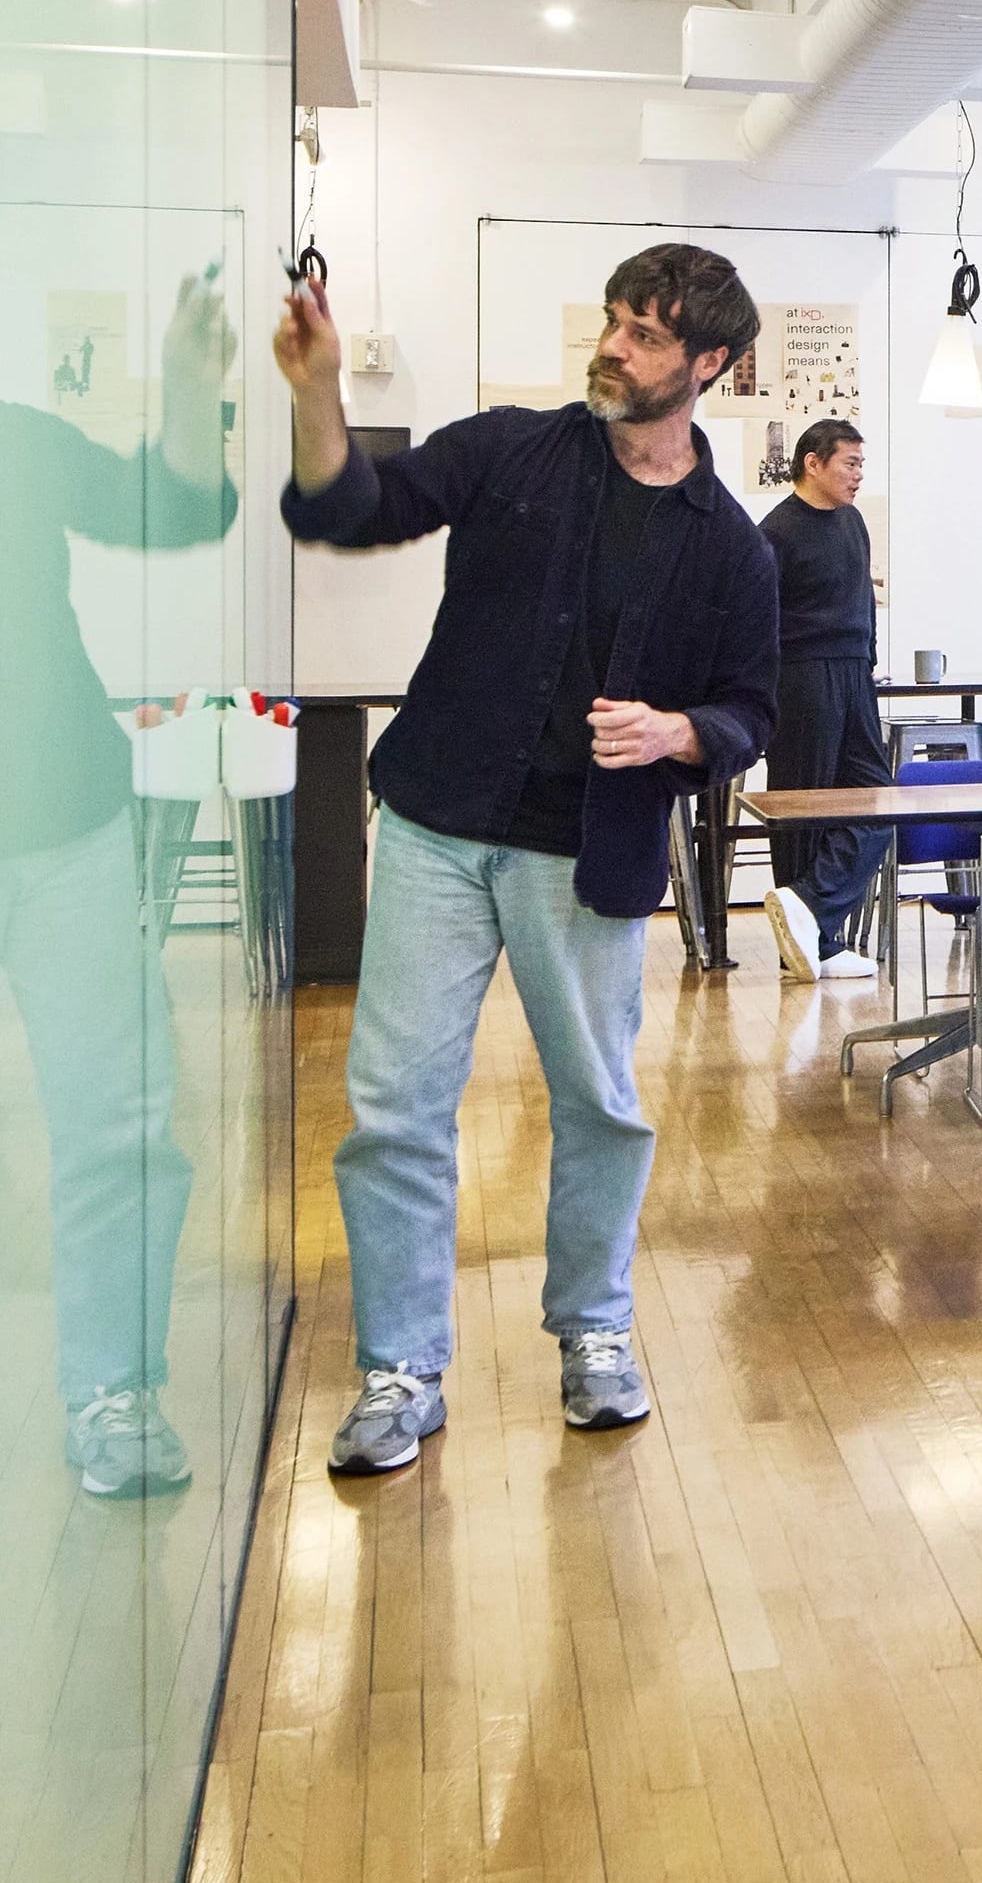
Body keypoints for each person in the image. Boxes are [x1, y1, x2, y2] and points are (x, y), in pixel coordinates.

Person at [278, 241, 780, 1474]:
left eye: (648, 335)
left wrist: (680, 732)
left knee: (600, 1105)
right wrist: (316, 393)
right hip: (437, 826)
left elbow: (751, 712)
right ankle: (400, 1364)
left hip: (584, 853)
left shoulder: (732, 545)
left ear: (709, 363)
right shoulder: (508, 449)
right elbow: (353, 509)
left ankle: (595, 1331)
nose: (614, 345)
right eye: (614, 321)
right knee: (395, 1106)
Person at [3, 273, 236, 1498]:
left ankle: (113, 1387)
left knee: (118, 1122)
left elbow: (176, 508)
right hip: (63, 829)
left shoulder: (20, 442)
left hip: (63, 825)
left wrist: (194, 395)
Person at [758, 417, 890, 983]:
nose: (860, 475)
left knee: (877, 801)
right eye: (851, 463)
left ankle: (811, 909)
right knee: (802, 806)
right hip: (800, 676)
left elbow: (861, 602)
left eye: (862, 464)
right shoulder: (776, 532)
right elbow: (753, 622)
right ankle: (816, 945)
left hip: (855, 673)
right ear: (813, 462)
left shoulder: (853, 522)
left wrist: (868, 664)